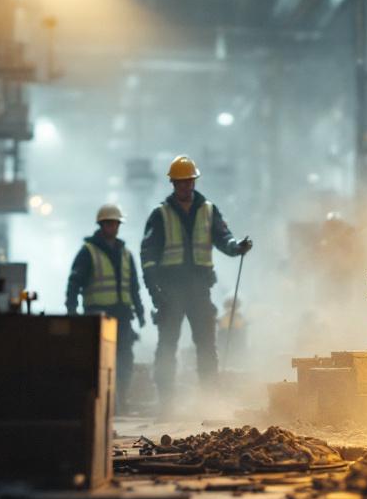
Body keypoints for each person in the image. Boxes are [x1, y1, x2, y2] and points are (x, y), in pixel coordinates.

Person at [141, 155, 251, 416]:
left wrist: (237, 247)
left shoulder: (208, 211)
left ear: (194, 182)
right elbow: (148, 256)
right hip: (171, 291)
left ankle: (209, 403)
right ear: (173, 184)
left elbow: (224, 238)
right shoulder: (160, 215)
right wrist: (154, 290)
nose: (185, 186)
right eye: (180, 182)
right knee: (167, 346)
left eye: (188, 181)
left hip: (200, 289)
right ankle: (166, 404)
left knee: (206, 345)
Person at [66, 203, 146, 414]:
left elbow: (134, 287)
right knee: (98, 361)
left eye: (115, 223)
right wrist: (72, 311)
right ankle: (101, 404)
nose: (112, 227)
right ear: (101, 225)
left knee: (125, 359)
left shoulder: (126, 254)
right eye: (108, 223)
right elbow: (74, 283)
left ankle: (121, 401)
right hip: (98, 316)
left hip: (123, 316)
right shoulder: (88, 252)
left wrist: (140, 312)